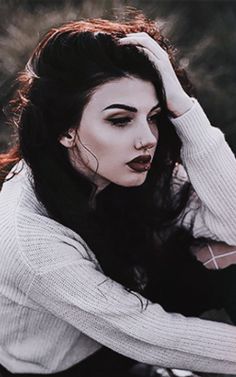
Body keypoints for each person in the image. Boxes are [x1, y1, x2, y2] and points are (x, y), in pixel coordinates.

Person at [0, 12, 236, 376]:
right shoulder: (30, 237)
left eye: (154, 115)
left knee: (230, 254)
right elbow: (149, 334)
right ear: (65, 131)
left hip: (133, 301)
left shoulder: (126, 168)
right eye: (120, 120)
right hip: (73, 366)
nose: (148, 139)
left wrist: (184, 107)